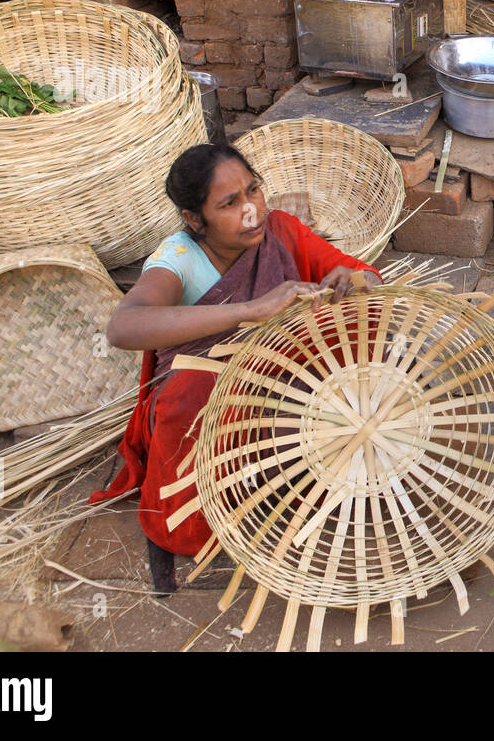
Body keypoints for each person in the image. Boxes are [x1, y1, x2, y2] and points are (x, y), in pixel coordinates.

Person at [89, 142, 382, 592]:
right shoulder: (178, 261)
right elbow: (124, 328)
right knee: (189, 386)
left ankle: (320, 463)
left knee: (356, 322)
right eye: (229, 204)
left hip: (290, 394)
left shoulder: (281, 232)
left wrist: (352, 281)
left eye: (254, 191)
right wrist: (250, 311)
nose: (251, 212)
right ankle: (212, 513)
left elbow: (371, 280)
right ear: (194, 219)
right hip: (213, 423)